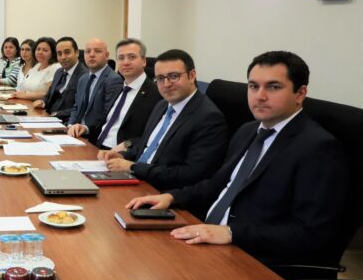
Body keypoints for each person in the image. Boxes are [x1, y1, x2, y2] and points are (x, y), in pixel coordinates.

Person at [126, 51, 348, 267]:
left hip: (252, 258)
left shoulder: (318, 148)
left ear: (300, 94)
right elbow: (217, 184)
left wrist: (231, 232)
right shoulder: (248, 131)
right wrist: (172, 196)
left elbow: (311, 233)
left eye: (273, 87)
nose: (260, 96)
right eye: (253, 86)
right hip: (208, 240)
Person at [98, 49, 227, 191]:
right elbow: (149, 146)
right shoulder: (162, 105)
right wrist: (122, 155)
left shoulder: (208, 118)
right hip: (136, 180)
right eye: (160, 78)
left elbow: (190, 174)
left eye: (174, 76)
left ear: (192, 76)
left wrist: (133, 167)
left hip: (161, 192)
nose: (166, 84)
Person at [91, 38, 162, 149]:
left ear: (144, 61)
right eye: (121, 58)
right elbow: (105, 122)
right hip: (95, 147)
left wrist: (128, 144)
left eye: (132, 57)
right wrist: (85, 128)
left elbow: (154, 135)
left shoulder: (156, 93)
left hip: (121, 154)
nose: (126, 62)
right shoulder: (118, 88)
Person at [66, 38, 123, 138]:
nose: (91, 55)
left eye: (97, 51)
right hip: (76, 133)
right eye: (88, 51)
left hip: (94, 135)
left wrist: (86, 128)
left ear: (107, 55)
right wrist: (70, 126)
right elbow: (76, 107)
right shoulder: (83, 79)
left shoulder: (113, 80)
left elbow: (107, 114)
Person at [32, 36, 87, 121]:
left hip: (67, 122)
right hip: (48, 118)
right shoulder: (59, 72)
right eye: (59, 53)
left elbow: (81, 107)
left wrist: (55, 114)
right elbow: (49, 95)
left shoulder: (85, 75)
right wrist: (42, 102)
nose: (63, 57)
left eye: (67, 52)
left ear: (77, 53)